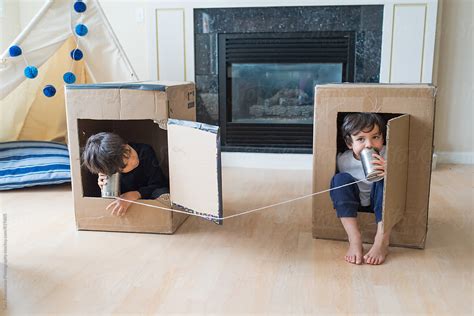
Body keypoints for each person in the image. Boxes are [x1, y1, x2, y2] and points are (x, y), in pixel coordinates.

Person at [330, 113, 389, 265]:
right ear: (350, 144)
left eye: (375, 137)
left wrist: (390, 170)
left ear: (383, 138)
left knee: (386, 181)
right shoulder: (343, 160)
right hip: (355, 205)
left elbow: (404, 183)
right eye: (361, 139)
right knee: (339, 180)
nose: (369, 144)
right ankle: (355, 239)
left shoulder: (389, 154)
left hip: (379, 204)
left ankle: (381, 240)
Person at [81, 132, 169, 217]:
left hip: (148, 196)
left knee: (163, 193)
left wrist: (136, 194)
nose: (134, 160)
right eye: (125, 165)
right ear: (114, 172)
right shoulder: (111, 173)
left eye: (129, 151)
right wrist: (103, 186)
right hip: (125, 204)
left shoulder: (145, 151)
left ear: (124, 143)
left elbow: (159, 183)